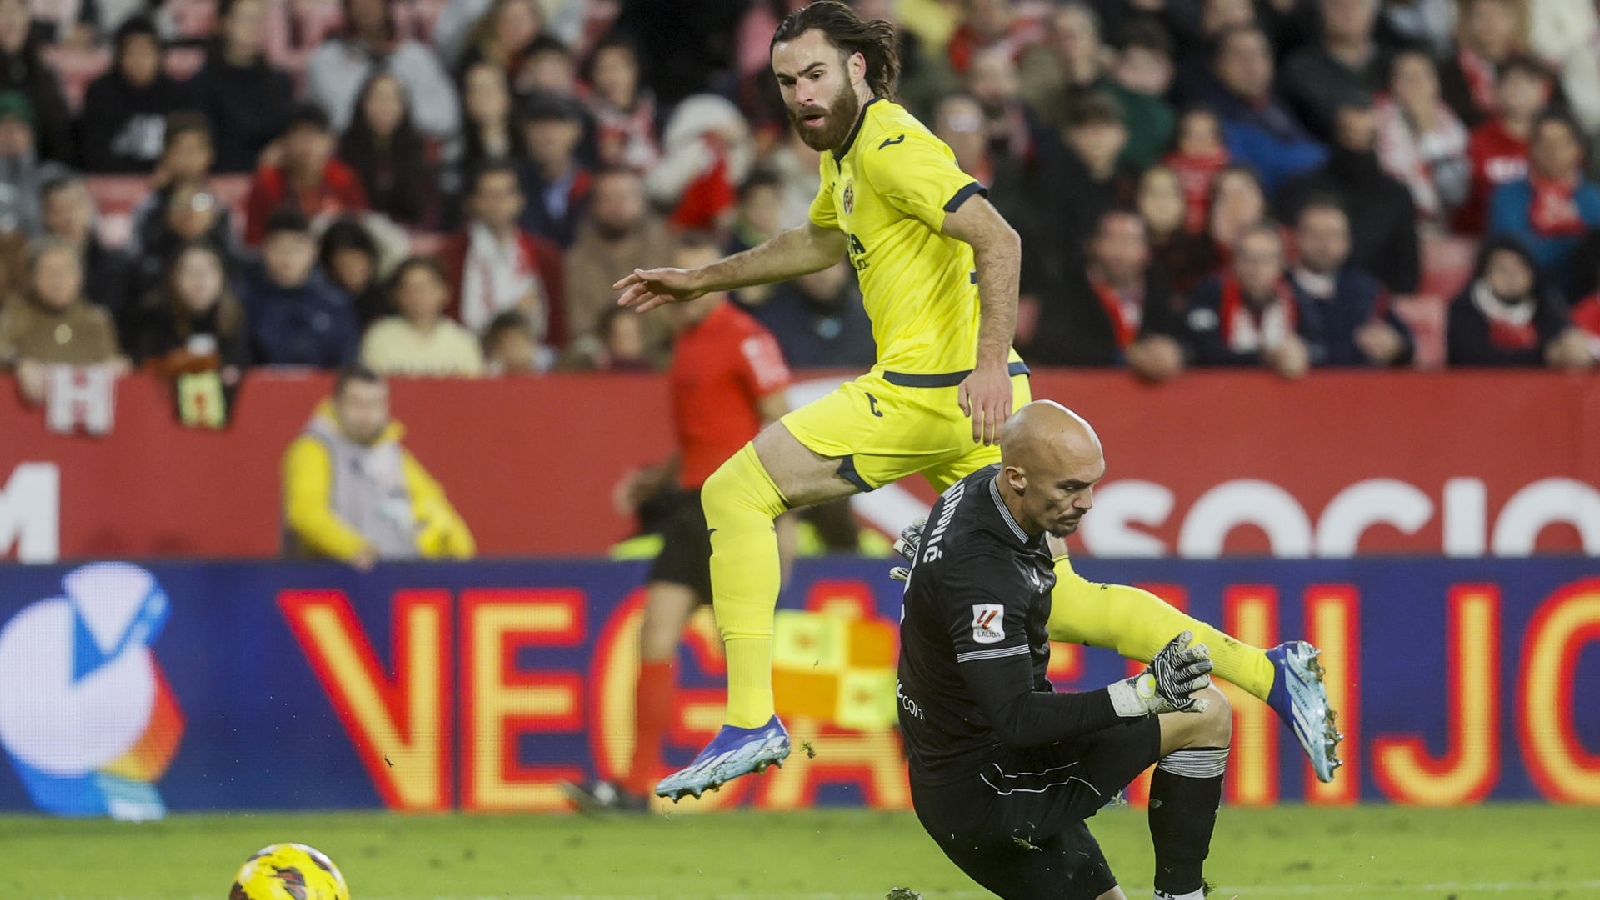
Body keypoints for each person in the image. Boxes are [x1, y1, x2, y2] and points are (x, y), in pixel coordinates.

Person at [615, 1, 1338, 800]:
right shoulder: (849, 155)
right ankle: (1269, 672)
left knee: (735, 491)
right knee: (1062, 600)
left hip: (933, 391)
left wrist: (987, 363)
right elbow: (821, 240)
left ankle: (752, 716)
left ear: (857, 67)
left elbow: (999, 236)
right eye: (787, 81)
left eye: (814, 74)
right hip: (978, 402)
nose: (800, 95)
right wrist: (703, 278)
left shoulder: (890, 146)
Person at [895, 400, 1229, 900]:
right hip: (994, 790)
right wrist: (1141, 693)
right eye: (1071, 488)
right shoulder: (983, 575)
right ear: (1018, 478)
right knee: (1204, 712)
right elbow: (1018, 719)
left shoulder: (982, 492)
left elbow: (1007, 559)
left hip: (960, 781)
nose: (1088, 502)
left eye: (1092, 483)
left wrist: (932, 582)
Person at [563, 235, 793, 813]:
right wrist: (657, 479)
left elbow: (780, 421)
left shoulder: (747, 338)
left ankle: (798, 762)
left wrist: (781, 512)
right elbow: (701, 432)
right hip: (691, 508)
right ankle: (637, 783)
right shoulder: (686, 341)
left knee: (739, 643)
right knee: (656, 635)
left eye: (695, 273)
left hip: (739, 509)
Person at [282, 364, 476, 567]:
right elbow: (305, 513)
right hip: (335, 578)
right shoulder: (314, 448)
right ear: (337, 404)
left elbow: (432, 505)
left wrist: (458, 552)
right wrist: (353, 549)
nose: (367, 415)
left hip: (396, 575)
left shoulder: (391, 453)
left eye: (375, 404)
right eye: (356, 404)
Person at [1024, 208, 1184, 382]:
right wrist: (1126, 357)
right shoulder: (1067, 292)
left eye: (1130, 241)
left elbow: (1188, 338)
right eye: (1111, 239)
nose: (1120, 251)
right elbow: (1054, 345)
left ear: (1146, 251)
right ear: (1092, 244)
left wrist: (1174, 353)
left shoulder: (1159, 291)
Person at [1277, 101, 1420, 295]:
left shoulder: (1396, 196)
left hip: (1373, 304)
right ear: (1336, 136)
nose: (1358, 146)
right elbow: (1282, 260)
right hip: (1304, 301)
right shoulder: (1300, 190)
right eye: (1349, 136)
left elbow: (1406, 273)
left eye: (1367, 138)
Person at [443, 161, 566, 347]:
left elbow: (557, 322)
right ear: (473, 201)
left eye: (505, 194)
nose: (498, 203)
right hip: (469, 358)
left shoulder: (545, 254)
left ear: (520, 199)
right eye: (489, 195)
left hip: (533, 361)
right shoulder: (451, 254)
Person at [305, 0, 459, 139]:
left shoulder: (416, 58)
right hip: (349, 154)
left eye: (374, 2)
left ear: (388, 6)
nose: (366, 7)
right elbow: (322, 121)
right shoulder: (326, 60)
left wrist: (398, 118)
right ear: (346, 8)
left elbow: (447, 118)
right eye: (357, 2)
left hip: (409, 153)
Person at [567, 166, 673, 367]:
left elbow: (676, 318)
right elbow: (578, 325)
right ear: (593, 206)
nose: (617, 207)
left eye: (625, 197)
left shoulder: (669, 252)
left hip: (660, 360)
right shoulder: (575, 261)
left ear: (643, 201)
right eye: (608, 199)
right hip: (597, 367)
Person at [1287, 198, 1413, 367]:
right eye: (1315, 234)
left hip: (1358, 388)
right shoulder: (1280, 287)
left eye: (1333, 235)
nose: (1324, 244)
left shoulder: (1366, 289)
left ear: (1347, 242)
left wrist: (1394, 346)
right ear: (1298, 237)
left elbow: (1405, 343)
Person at [1206, 24, 1327, 196]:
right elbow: (1262, 172)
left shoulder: (1281, 105)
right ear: (1218, 64)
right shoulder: (1213, 118)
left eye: (1259, 54)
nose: (1251, 64)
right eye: (1239, 55)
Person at [0, 239, 125, 403]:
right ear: (32, 277)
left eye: (66, 271)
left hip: (84, 413)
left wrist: (118, 367)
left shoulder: (96, 319)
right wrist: (19, 364)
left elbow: (112, 361)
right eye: (49, 272)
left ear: (80, 276)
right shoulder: (16, 314)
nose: (58, 280)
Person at [1486, 112, 1600, 289]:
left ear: (1579, 150)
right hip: (1525, 297)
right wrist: (1576, 244)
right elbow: (1513, 253)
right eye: (1543, 142)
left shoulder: (1593, 198)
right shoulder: (1507, 195)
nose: (1552, 150)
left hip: (1584, 300)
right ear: (1530, 148)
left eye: (1561, 142)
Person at [1184, 222, 1311, 379]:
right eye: (1247, 258)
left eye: (1265, 259)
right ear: (1234, 262)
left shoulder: (1298, 299)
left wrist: (1302, 355)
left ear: (1280, 264)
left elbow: (1321, 350)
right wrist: (1266, 357)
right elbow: (1206, 354)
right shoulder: (1208, 295)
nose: (1256, 267)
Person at [1446, 236, 1594, 370]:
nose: (1512, 277)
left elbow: (1562, 342)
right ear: (1485, 273)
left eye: (1520, 268)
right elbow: (1472, 360)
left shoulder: (1546, 301)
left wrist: (1572, 348)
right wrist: (1543, 356)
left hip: (1541, 393)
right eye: (1502, 269)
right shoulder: (1463, 307)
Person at [240, 208, 360, 368]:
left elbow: (345, 361)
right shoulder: (245, 301)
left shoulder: (335, 304)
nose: (287, 258)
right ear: (264, 250)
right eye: (278, 248)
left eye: (296, 249)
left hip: (323, 390)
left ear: (313, 251)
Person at [76, 16, 194, 175]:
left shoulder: (178, 95)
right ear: (119, 56)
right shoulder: (100, 93)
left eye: (146, 52)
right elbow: (93, 153)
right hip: (112, 182)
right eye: (132, 52)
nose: (139, 59)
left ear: (159, 55)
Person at [189, 0, 296, 174]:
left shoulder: (281, 81)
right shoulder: (202, 84)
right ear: (223, 23)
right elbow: (205, 144)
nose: (254, 26)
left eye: (259, 19)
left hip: (273, 181)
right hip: (223, 179)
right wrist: (257, 160)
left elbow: (288, 132)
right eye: (245, 18)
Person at [243, 104, 369, 246]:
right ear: (284, 142)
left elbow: (360, 231)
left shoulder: (344, 178)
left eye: (316, 135)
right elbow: (254, 242)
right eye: (300, 135)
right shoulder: (267, 184)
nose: (309, 144)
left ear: (331, 142)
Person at [1373, 49, 1470, 228]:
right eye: (1407, 77)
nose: (1416, 84)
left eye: (1423, 76)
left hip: (1442, 225)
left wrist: (1428, 134)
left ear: (1436, 84)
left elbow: (1455, 194)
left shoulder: (1453, 125)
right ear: (1393, 85)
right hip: (1392, 222)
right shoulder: (1376, 121)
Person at [1456, 54, 1550, 237]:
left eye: (1527, 82)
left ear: (1542, 92)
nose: (1518, 88)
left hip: (1544, 241)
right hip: (1483, 239)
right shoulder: (1476, 141)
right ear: (1496, 91)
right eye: (1510, 81)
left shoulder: (1554, 143)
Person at [129, 241, 252, 378]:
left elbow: (242, 364)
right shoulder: (153, 316)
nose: (199, 280)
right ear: (173, 278)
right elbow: (141, 366)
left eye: (207, 271)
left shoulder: (235, 317)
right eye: (190, 271)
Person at [337, 70, 439, 229]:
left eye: (392, 99)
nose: (385, 106)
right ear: (362, 103)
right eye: (377, 98)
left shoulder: (419, 150)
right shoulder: (343, 149)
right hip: (359, 235)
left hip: (411, 237)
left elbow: (429, 208)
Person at [1279, 0, 1388, 143]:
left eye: (1356, 5)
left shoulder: (1395, 65)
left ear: (1372, 12)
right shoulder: (1301, 68)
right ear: (1323, 11)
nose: (1347, 12)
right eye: (1337, 5)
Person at [361, 256, 486, 376]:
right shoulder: (379, 336)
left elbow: (473, 388)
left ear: (445, 292)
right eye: (410, 288)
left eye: (426, 287)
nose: (419, 296)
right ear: (396, 295)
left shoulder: (463, 340)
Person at [40, 173, 133, 328]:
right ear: (45, 217)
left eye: (74, 206)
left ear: (90, 208)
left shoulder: (119, 265)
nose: (68, 216)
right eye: (58, 209)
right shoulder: (31, 266)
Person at [749, 259, 875, 368]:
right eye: (811, 265)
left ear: (847, 265)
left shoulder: (874, 318)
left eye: (830, 263)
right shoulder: (770, 323)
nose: (821, 274)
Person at [0, 0, 72, 165]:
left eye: (17, 11)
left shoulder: (42, 72)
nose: (11, 21)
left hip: (38, 172)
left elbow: (59, 131)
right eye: (2, 12)